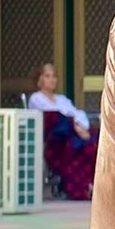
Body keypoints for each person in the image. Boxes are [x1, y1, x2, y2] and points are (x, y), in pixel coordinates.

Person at [25, 62, 98, 200]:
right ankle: (83, 188)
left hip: (73, 134)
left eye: (54, 76)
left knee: (97, 142)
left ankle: (92, 185)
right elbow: (54, 117)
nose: (51, 79)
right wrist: (75, 124)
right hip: (55, 141)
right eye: (47, 76)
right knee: (81, 146)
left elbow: (77, 113)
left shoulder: (62, 99)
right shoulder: (36, 98)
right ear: (40, 80)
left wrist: (81, 128)